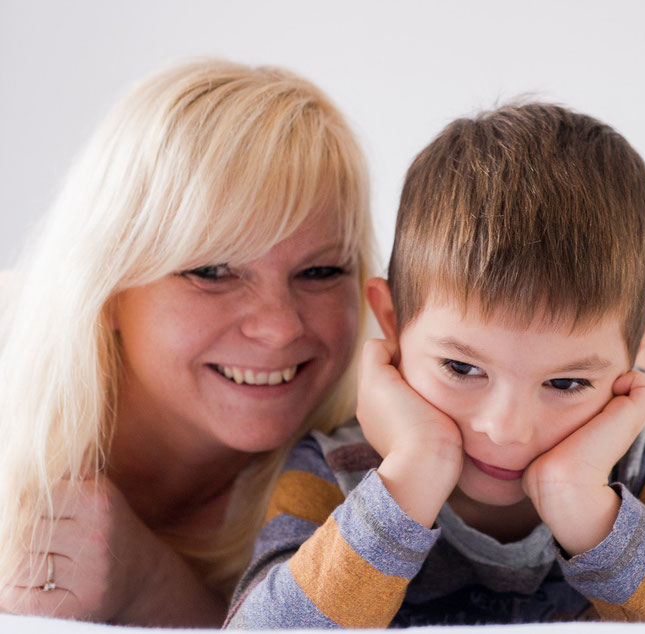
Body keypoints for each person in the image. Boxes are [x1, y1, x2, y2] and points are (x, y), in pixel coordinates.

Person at [226, 103, 645, 627]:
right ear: (391, 321)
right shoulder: (339, 465)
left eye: (566, 382)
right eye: (462, 369)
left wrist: (586, 510)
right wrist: (415, 470)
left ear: (633, 356)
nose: (505, 428)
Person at [0, 59, 375, 626]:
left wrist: (149, 584)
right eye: (213, 270)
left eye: (321, 273)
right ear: (105, 287)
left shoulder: (372, 481)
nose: (279, 326)